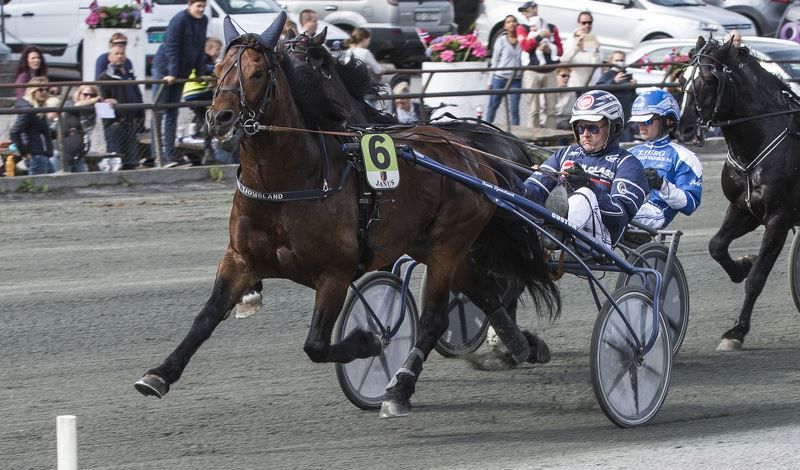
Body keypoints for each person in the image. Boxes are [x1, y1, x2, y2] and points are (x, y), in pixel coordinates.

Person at [520, 90, 648, 251]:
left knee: (583, 194)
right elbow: (535, 190)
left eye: (593, 128)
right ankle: (550, 234)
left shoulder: (628, 163)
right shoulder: (565, 154)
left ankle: (557, 233)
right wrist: (512, 183)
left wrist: (588, 185)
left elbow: (620, 217)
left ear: (613, 128)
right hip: (555, 232)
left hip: (600, 241)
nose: (585, 135)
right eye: (581, 128)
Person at [628, 89, 703, 230]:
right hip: (624, 205)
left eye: (647, 121)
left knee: (608, 210)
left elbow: (690, 205)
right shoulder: (630, 152)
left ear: (668, 120)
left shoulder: (685, 157)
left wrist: (661, 185)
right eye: (639, 121)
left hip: (655, 212)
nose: (641, 126)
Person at [150, 0, 208, 168]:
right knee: (158, 111)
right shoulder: (179, 20)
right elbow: (171, 47)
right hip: (165, 70)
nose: (201, 9)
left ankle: (169, 154)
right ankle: (157, 155)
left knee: (172, 112)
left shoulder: (203, 21)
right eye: (198, 6)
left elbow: (200, 47)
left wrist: (199, 72)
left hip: (181, 71)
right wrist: (172, 73)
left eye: (203, 6)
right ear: (189, 5)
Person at [98, 44, 145, 171]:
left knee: (131, 162)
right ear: (110, 57)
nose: (120, 56)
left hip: (131, 124)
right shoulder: (104, 77)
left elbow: (138, 96)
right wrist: (111, 122)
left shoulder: (129, 75)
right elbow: (101, 102)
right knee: (115, 161)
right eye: (116, 54)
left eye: (122, 53)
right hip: (116, 125)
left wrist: (141, 119)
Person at [515, 1, 562, 129]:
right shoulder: (522, 28)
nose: (524, 13)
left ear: (535, 8)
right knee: (533, 110)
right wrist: (540, 36)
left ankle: (551, 137)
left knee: (551, 109)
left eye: (526, 10)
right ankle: (533, 138)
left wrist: (549, 50)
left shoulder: (551, 27)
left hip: (550, 71)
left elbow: (560, 51)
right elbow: (525, 46)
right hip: (532, 72)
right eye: (523, 11)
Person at [182, 36, 222, 164]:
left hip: (192, 93)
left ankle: (195, 133)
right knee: (214, 109)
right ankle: (206, 144)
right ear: (208, 49)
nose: (218, 53)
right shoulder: (203, 58)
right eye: (217, 50)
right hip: (197, 92)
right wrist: (216, 70)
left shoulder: (206, 59)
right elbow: (205, 70)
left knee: (203, 116)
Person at [10, 77, 55, 175]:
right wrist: (24, 152)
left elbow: (43, 131)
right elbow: (14, 132)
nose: (44, 92)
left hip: (42, 154)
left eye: (46, 89)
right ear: (32, 91)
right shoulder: (29, 110)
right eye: (40, 89)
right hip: (36, 155)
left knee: (53, 182)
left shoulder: (38, 108)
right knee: (41, 183)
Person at [485, 15, 522, 125]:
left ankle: (515, 132)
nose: (512, 24)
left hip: (516, 78)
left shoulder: (521, 40)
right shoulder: (500, 40)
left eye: (514, 21)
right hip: (500, 78)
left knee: (514, 109)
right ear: (505, 26)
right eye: (508, 22)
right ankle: (486, 129)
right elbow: (495, 61)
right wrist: (490, 81)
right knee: (493, 105)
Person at [58, 85, 102, 173]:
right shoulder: (70, 103)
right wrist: (94, 100)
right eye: (85, 94)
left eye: (92, 95)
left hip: (81, 153)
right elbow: (76, 106)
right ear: (79, 94)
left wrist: (110, 101)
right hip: (65, 152)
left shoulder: (93, 108)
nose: (88, 97)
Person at [596, 50, 637, 142]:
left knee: (628, 139)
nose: (620, 62)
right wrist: (614, 81)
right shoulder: (608, 74)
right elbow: (599, 88)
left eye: (622, 60)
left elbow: (631, 94)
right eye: (617, 60)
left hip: (627, 114)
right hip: (613, 114)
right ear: (611, 62)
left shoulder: (626, 74)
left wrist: (633, 85)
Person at [561, 11, 600, 88]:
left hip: (588, 86)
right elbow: (564, 60)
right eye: (584, 23)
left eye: (589, 23)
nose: (587, 25)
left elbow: (595, 65)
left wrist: (596, 51)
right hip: (571, 86)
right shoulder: (570, 40)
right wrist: (577, 46)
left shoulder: (592, 40)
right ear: (578, 23)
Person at [552, 66, 575, 131]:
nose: (566, 78)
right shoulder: (548, 91)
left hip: (565, 122)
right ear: (555, 76)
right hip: (551, 122)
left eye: (568, 76)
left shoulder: (571, 92)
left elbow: (570, 111)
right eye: (563, 76)